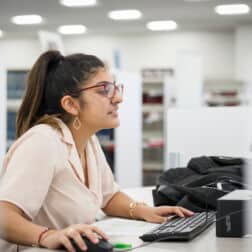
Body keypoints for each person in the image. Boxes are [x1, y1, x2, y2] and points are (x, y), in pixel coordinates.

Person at [0, 50, 193, 252]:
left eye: (116, 88)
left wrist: (145, 211)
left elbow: (109, 197)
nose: (118, 98)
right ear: (71, 104)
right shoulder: (42, 141)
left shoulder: (88, 140)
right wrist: (47, 236)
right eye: (104, 90)